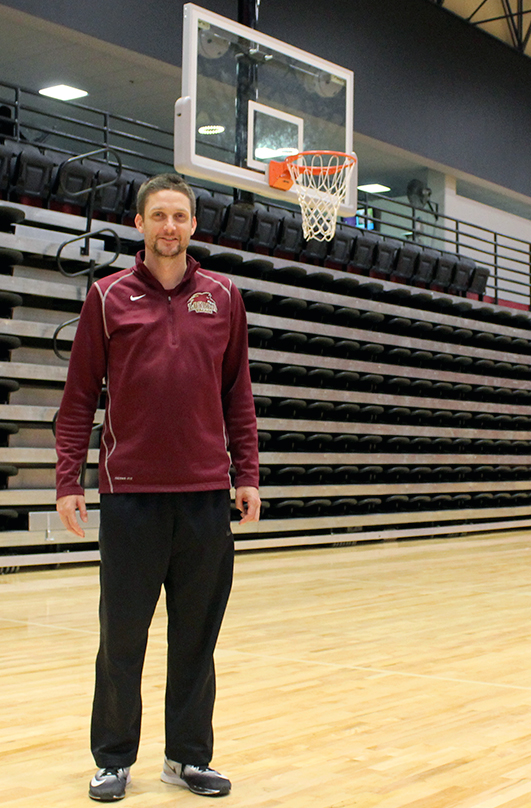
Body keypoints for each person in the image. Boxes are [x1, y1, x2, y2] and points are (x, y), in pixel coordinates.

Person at [55, 173, 261, 801]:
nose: (169, 227)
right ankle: (114, 758)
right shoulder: (106, 297)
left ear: (193, 225)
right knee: (123, 635)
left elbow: (239, 394)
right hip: (131, 496)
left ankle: (188, 757)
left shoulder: (224, 296)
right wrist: (69, 480)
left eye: (180, 216)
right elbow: (79, 397)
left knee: (197, 637)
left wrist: (246, 473)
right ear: (139, 224)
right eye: (158, 216)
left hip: (204, 495)